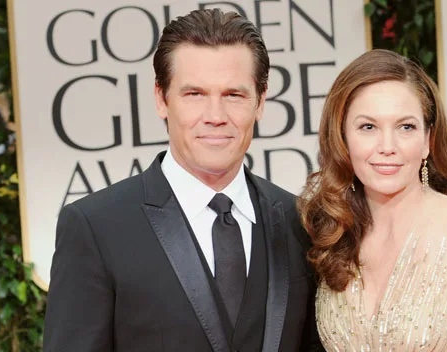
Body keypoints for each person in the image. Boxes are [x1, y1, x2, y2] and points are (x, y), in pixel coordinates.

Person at [44, 8, 322, 352]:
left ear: (260, 102)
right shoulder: (95, 228)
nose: (216, 117)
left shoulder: (300, 221)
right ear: (162, 99)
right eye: (195, 94)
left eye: (234, 95)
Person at [298, 49, 447, 351]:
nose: (387, 146)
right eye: (368, 127)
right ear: (342, 138)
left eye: (405, 127)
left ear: (427, 141)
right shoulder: (330, 235)